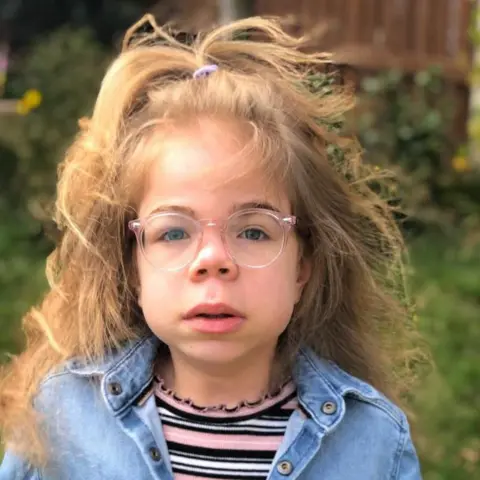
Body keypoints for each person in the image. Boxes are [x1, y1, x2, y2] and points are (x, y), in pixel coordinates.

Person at [0, 14, 423, 480]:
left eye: (254, 231)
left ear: (302, 267)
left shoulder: (373, 442)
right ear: (133, 266)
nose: (213, 259)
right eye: (173, 232)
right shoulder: (60, 422)